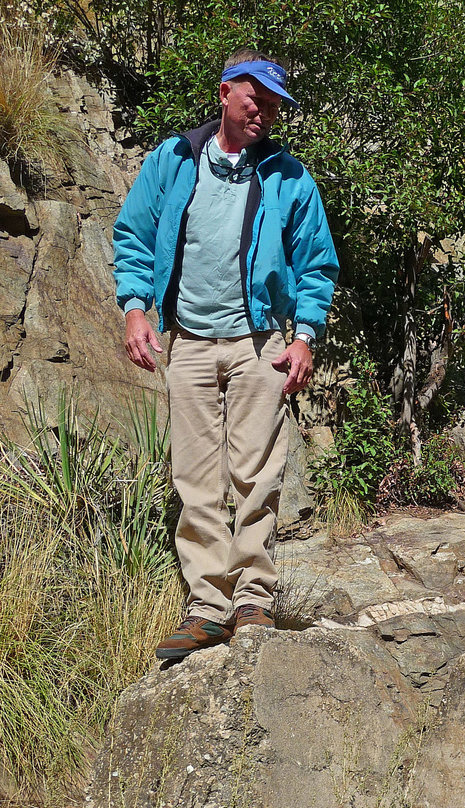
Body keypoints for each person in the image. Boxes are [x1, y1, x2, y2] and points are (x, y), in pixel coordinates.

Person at [114, 48, 339, 660]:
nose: (263, 111)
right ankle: (208, 606)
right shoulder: (175, 159)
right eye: (254, 98)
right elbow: (133, 234)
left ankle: (252, 599)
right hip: (186, 341)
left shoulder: (289, 178)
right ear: (224, 93)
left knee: (256, 473)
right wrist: (136, 307)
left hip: (259, 343)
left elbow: (316, 265)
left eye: (272, 104)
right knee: (194, 476)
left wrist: (304, 335)